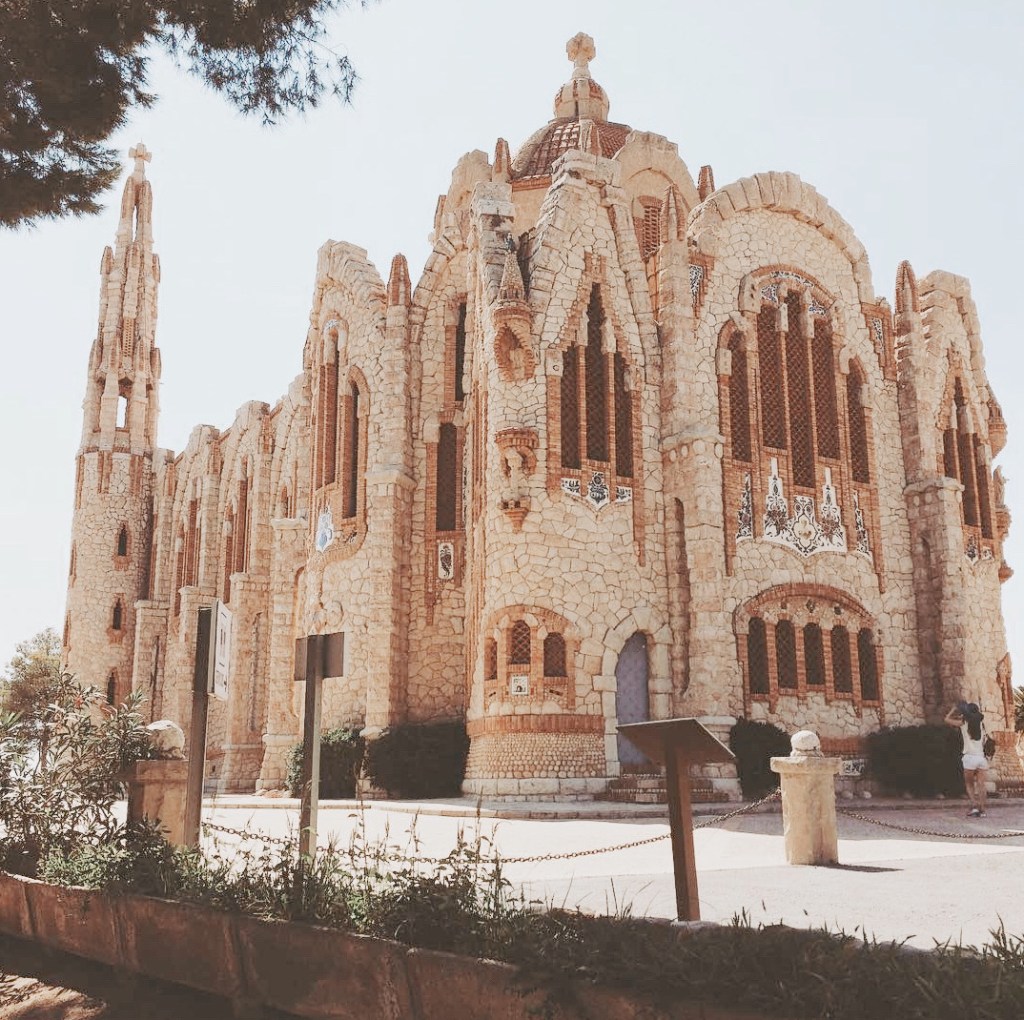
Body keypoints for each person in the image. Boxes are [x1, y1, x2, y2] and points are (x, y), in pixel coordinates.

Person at [944, 701, 989, 817]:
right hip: (981, 758)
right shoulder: (981, 724)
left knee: (969, 784)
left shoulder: (964, 723)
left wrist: (954, 710)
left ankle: (974, 806)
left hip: (969, 758)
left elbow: (947, 720)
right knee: (981, 785)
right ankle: (983, 810)